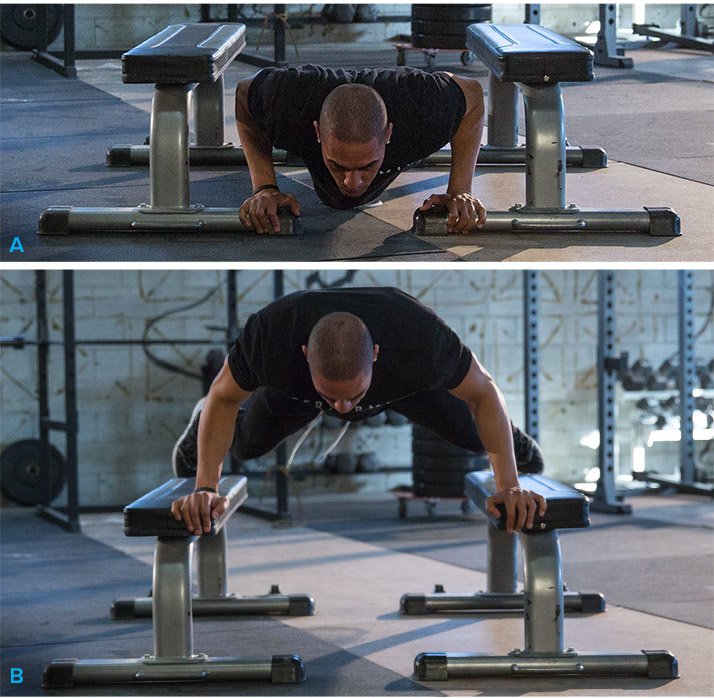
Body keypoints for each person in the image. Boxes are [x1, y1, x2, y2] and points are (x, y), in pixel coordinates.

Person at [170, 287, 546, 535]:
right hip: (297, 395)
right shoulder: (271, 337)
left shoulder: (419, 338)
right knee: (246, 445)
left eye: (353, 396)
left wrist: (509, 484)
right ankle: (199, 421)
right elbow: (224, 396)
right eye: (333, 397)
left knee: (473, 438)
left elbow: (484, 391)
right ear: (304, 356)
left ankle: (515, 441)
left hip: (401, 390)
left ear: (377, 354)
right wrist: (206, 486)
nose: (343, 409)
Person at [234, 64, 487, 235]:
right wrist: (264, 187)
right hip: (308, 115)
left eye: (366, 166)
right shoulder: (287, 104)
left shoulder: (424, 112)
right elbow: (244, 92)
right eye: (338, 165)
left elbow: (472, 93)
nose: (351, 182)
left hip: (404, 113)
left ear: (388, 134)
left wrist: (460, 190)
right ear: (318, 133)